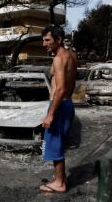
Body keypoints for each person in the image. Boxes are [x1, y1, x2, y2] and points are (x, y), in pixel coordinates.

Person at [39, 24, 77, 193]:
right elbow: (70, 85)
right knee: (59, 143)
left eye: (47, 40)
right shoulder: (71, 56)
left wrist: (51, 114)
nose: (44, 44)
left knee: (54, 145)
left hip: (60, 106)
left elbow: (60, 88)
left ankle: (60, 183)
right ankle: (60, 178)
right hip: (67, 104)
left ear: (58, 40)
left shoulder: (58, 58)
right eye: (43, 40)